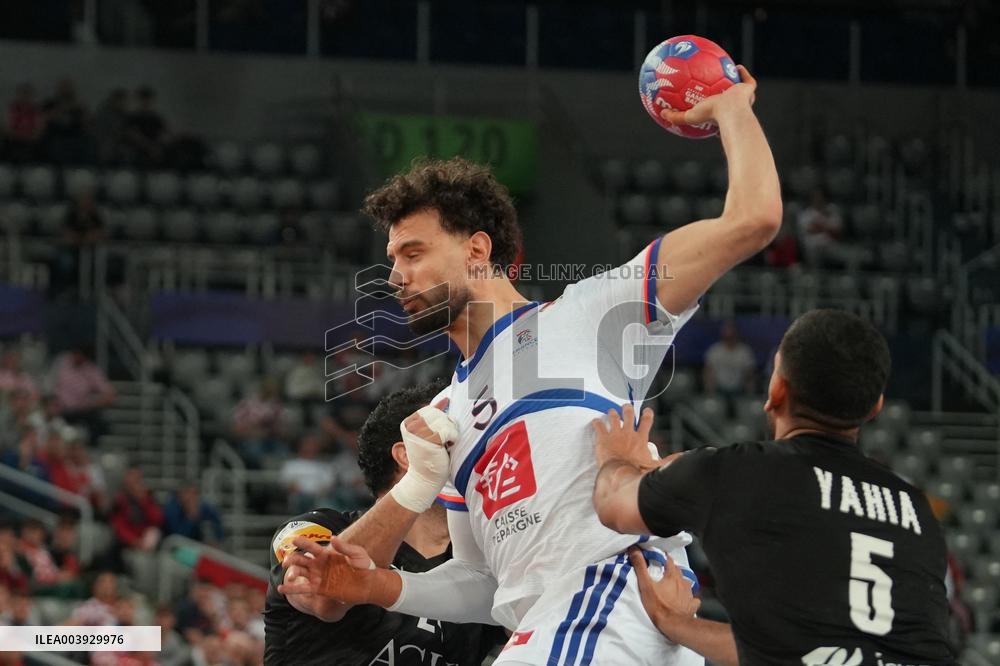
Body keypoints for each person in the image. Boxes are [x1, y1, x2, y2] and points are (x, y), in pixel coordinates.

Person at [279, 62, 782, 666]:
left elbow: (752, 220)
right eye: (392, 258)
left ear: (477, 250)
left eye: (413, 252)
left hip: (606, 605)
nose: (395, 275)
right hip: (548, 628)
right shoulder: (446, 415)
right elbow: (488, 583)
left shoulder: (592, 313)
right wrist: (382, 586)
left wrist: (731, 108)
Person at [591, 309, 956, 665]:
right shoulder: (917, 511)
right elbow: (796, 650)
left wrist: (616, 457)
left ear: (777, 390)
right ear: (875, 407)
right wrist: (676, 624)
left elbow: (611, 504)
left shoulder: (732, 473)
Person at [265, 382, 505, 665]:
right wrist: (419, 484)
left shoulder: (488, 565)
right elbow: (322, 596)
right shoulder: (318, 528)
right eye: (459, 443)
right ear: (407, 456)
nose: (481, 457)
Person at [702, 320, 757, 398]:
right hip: (719, 390)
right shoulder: (715, 351)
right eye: (727, 336)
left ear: (736, 334)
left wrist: (750, 393)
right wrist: (710, 392)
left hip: (739, 391)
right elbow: (708, 373)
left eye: (731, 336)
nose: (729, 338)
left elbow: (750, 375)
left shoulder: (745, 352)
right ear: (723, 335)